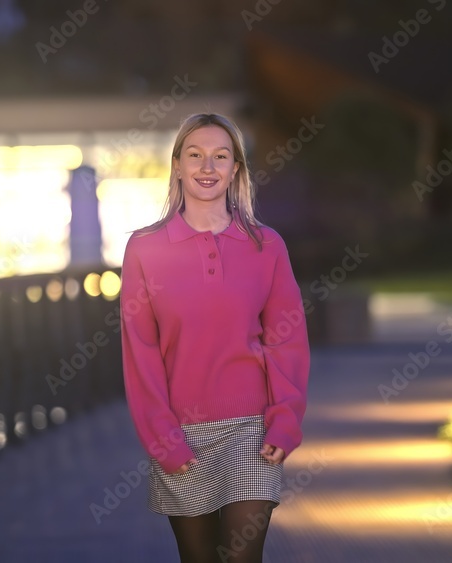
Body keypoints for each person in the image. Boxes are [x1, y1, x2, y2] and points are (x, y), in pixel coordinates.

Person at [119, 112, 311, 563]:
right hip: (180, 432)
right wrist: (163, 438)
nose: (208, 167)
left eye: (220, 156)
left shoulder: (267, 246)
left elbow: (288, 341)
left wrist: (285, 419)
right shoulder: (144, 249)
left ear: (236, 170)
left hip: (252, 429)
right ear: (178, 167)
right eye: (196, 155)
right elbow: (140, 353)